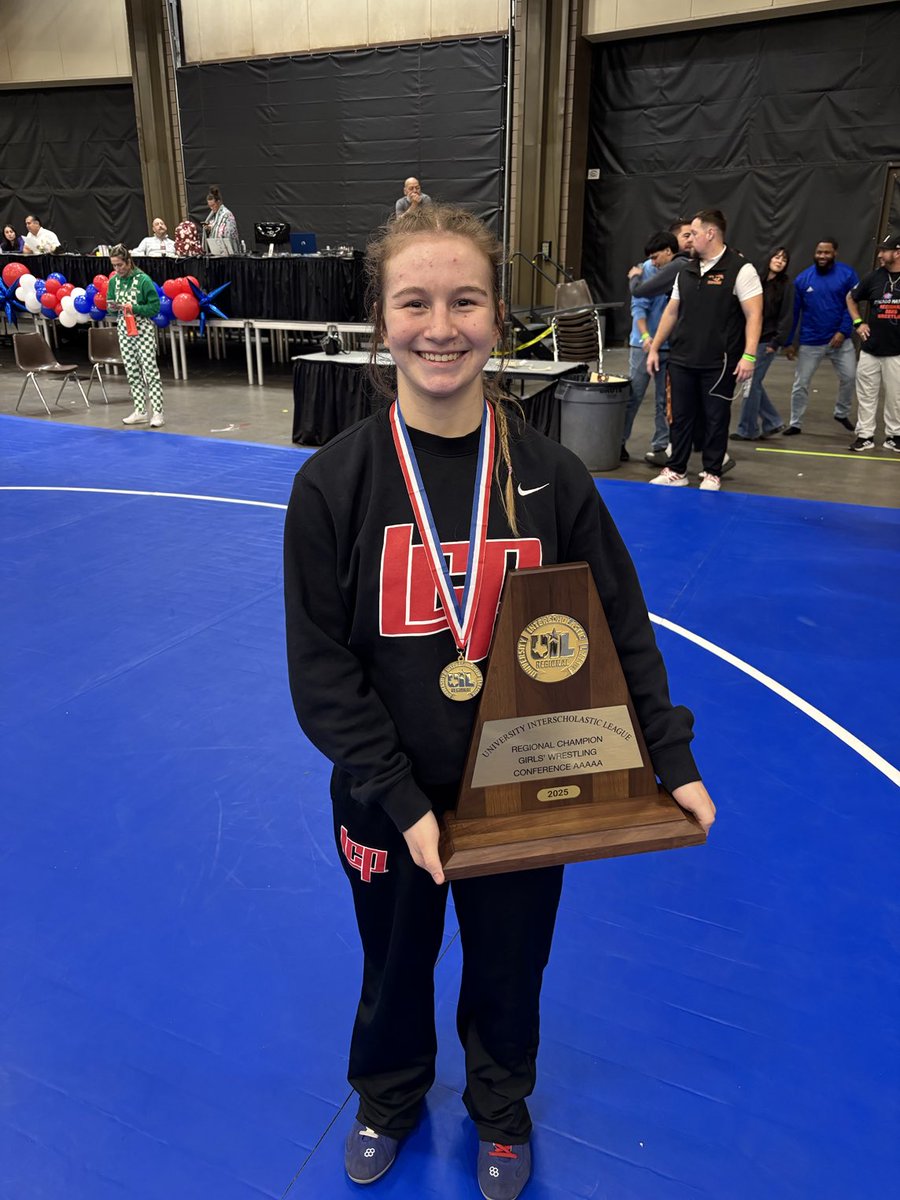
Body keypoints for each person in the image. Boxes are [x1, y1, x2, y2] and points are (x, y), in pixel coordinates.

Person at [283, 203, 715, 1199]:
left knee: (510, 964)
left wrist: (671, 759)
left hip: (530, 792)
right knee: (392, 963)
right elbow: (321, 673)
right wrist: (400, 799)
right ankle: (388, 1096)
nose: (442, 325)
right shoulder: (335, 487)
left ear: (498, 315)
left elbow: (621, 625)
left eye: (466, 299)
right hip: (386, 801)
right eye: (416, 300)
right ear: (381, 319)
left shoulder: (552, 478)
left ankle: (500, 1104)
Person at [647, 208, 762, 491]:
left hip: (719, 361)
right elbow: (671, 312)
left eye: (694, 234)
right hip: (682, 358)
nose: (688, 240)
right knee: (680, 417)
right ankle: (677, 469)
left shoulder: (740, 269)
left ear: (710, 234)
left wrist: (749, 355)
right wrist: (654, 348)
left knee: (715, 417)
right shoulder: (685, 269)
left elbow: (754, 315)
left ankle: (712, 471)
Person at [783, 238, 858, 435]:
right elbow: (795, 312)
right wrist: (790, 342)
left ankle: (841, 413)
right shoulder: (802, 279)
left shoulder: (847, 274)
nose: (822, 256)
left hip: (841, 341)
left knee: (850, 377)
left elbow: (852, 306)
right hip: (811, 341)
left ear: (835, 253)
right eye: (819, 252)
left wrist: (843, 331)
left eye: (826, 252)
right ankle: (795, 423)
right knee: (801, 383)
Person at [622, 230, 678, 462]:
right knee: (633, 396)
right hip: (642, 347)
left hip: (669, 347)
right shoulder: (645, 271)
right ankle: (618, 443)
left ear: (669, 252)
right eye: (652, 258)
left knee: (664, 402)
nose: (654, 262)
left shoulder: (678, 270)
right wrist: (646, 338)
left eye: (656, 257)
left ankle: (660, 447)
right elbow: (639, 309)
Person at [845, 231, 900, 453]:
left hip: (897, 351)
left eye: (884, 251)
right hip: (870, 349)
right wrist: (858, 322)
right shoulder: (874, 277)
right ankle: (865, 435)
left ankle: (895, 435)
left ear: (897, 253)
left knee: (896, 397)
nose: (880, 255)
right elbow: (851, 297)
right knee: (866, 394)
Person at [731, 247, 794, 440]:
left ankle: (747, 429)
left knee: (751, 383)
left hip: (767, 341)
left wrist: (776, 343)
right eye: (777, 256)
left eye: (784, 259)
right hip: (752, 339)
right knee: (753, 382)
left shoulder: (786, 286)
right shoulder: (757, 280)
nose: (779, 261)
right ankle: (772, 421)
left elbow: (787, 316)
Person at [105, 244, 165, 427]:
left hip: (143, 329)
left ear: (128, 262)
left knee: (150, 371)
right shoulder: (114, 282)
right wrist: (112, 306)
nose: (117, 269)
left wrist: (135, 308)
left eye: (120, 265)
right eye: (114, 266)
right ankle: (140, 410)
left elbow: (155, 307)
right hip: (124, 329)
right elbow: (109, 305)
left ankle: (158, 413)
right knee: (132, 371)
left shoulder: (143, 280)